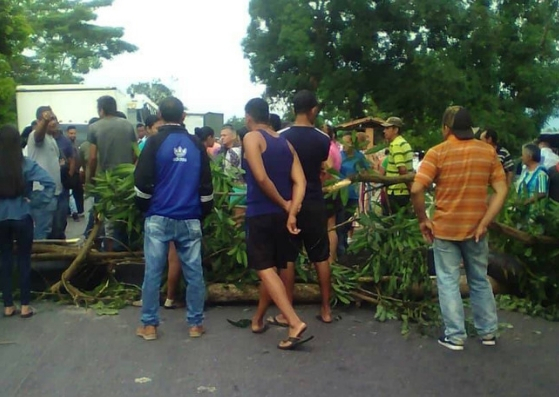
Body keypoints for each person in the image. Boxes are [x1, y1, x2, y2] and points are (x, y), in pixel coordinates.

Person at [411, 106, 508, 351]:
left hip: (444, 229)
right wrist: (485, 222)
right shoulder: (487, 152)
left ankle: (455, 336)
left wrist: (423, 218)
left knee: (448, 281)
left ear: (446, 128)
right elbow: (501, 190)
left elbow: (416, 189)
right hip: (477, 229)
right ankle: (488, 332)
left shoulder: (437, 153)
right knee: (479, 280)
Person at [134, 97, 214, 341]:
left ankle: (149, 326)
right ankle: (195, 324)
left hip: (158, 216)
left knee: (153, 272)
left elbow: (141, 181)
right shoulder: (197, 144)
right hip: (190, 217)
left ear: (159, 115)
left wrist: (145, 208)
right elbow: (206, 186)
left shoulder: (154, 142)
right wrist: (202, 213)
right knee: (194, 273)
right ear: (184, 117)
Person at [243, 98, 311, 350]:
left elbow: (260, 177)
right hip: (282, 216)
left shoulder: (252, 138)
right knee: (271, 268)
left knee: (263, 268)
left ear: (249, 117)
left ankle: (293, 322)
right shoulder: (285, 143)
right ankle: (258, 319)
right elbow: (301, 182)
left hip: (261, 212)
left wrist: (285, 205)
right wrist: (291, 211)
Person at [279, 90, 333, 323]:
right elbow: (323, 167)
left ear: (293, 110)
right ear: (313, 110)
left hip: (289, 202)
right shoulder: (323, 139)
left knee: (288, 257)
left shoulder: (281, 136)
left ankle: (287, 310)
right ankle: (326, 310)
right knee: (320, 255)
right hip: (313, 200)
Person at [0, 125, 55, 318]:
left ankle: (7, 305)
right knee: (24, 260)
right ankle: (24, 305)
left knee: (4, 260)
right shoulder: (25, 164)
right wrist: (35, 200)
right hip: (22, 216)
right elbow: (49, 183)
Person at [87, 96, 137, 251]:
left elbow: (93, 157)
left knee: (102, 219)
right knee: (124, 218)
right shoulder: (128, 126)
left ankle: (108, 254)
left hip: (104, 182)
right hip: (126, 181)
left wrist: (90, 180)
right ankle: (125, 250)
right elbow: (136, 152)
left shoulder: (94, 128)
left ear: (101, 109)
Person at [26, 106, 63, 239]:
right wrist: (45, 121)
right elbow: (38, 135)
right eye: (49, 119)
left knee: (54, 231)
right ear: (39, 121)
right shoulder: (35, 135)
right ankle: (38, 258)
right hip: (42, 192)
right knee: (43, 231)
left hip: (54, 192)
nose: (53, 122)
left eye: (54, 118)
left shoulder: (51, 138)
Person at [337, 131, 370, 256]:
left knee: (347, 223)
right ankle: (341, 250)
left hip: (352, 194)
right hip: (340, 194)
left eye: (347, 142)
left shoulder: (358, 156)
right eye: (342, 142)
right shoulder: (339, 156)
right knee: (340, 223)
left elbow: (367, 172)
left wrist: (359, 175)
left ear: (352, 143)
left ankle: (344, 246)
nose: (344, 145)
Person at [382, 117, 414, 214]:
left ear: (395, 130)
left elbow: (402, 169)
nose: (384, 131)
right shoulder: (404, 143)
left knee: (392, 223)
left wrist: (411, 188)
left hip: (396, 191)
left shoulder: (395, 145)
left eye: (388, 128)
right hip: (403, 191)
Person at [322, 124, 342, 264]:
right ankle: (332, 258)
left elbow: (328, 169)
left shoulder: (327, 149)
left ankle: (328, 259)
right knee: (331, 226)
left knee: (328, 227)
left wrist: (324, 184)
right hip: (335, 189)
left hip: (328, 190)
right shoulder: (335, 147)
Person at [66, 125, 84, 218]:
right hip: (69, 172)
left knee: (79, 192)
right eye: (71, 133)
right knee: (69, 193)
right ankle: (70, 211)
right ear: (67, 133)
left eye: (74, 133)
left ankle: (80, 210)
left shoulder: (77, 144)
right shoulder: (66, 144)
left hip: (77, 172)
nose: (73, 135)